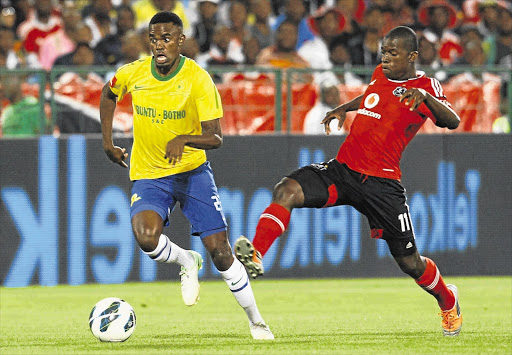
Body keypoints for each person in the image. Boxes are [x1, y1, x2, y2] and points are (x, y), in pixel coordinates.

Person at [234, 26, 463, 337]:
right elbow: (372, 96)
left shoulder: (425, 85)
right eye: (384, 51)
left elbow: (451, 120)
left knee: (410, 263)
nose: (385, 57)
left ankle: (448, 301)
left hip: (382, 185)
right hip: (343, 171)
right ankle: (257, 253)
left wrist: (424, 98)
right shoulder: (379, 75)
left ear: (411, 56)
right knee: (286, 189)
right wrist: (344, 108)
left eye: (393, 53)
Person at [99, 11, 273, 340]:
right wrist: (107, 143)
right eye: (153, 38)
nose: (159, 45)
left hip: (192, 171)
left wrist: (183, 139)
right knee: (146, 237)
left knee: (221, 252)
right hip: (150, 173)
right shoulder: (133, 73)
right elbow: (109, 94)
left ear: (181, 41)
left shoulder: (197, 79)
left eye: (166, 38)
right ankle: (186, 260)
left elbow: (216, 138)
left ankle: (256, 320)